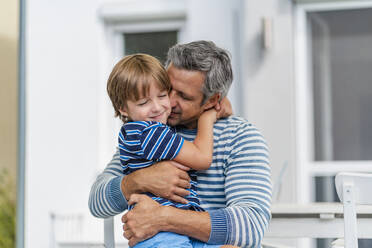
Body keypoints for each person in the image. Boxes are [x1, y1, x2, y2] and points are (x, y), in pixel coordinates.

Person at [89, 40, 272, 248]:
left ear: (213, 100)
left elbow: (249, 227)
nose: (167, 103)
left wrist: (162, 217)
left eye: (183, 96)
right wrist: (139, 180)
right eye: (167, 89)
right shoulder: (154, 129)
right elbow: (97, 202)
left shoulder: (240, 138)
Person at [106, 53, 229, 247]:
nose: (158, 107)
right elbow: (202, 158)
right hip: (160, 235)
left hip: (177, 231)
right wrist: (208, 117)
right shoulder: (149, 133)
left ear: (212, 99)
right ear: (123, 108)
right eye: (143, 103)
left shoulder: (138, 131)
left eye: (162, 95)